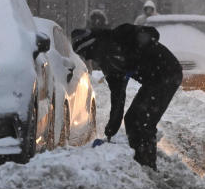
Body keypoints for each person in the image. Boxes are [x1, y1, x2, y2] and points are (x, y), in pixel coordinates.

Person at [71, 24, 182, 169]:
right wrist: (111, 128)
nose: (86, 57)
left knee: (143, 121)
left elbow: (151, 33)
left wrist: (136, 52)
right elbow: (118, 96)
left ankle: (147, 165)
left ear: (91, 44)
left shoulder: (120, 34)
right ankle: (141, 163)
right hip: (153, 80)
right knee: (132, 119)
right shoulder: (108, 65)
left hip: (168, 72)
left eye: (85, 52)